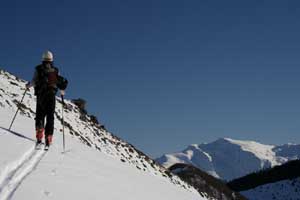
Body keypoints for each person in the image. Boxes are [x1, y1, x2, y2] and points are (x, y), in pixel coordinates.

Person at [26, 50, 68, 148]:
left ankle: (39, 133)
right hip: (51, 96)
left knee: (40, 114)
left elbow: (34, 81)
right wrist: (62, 92)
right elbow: (59, 82)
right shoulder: (55, 70)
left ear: (43, 58)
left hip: (41, 95)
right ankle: (48, 137)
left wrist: (28, 86)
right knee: (50, 117)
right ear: (52, 59)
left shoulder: (38, 69)